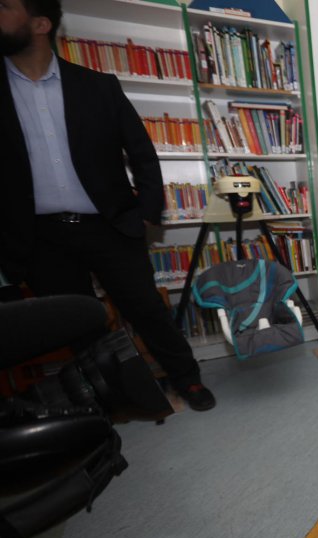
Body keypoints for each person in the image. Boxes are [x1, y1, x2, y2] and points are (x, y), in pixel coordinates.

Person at [0, 0, 215, 411]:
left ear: (40, 23)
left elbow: (142, 153)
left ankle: (186, 379)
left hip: (110, 225)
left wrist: (146, 212)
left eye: (5, 6)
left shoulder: (97, 86)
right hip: (39, 238)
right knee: (77, 324)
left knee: (147, 309)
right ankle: (115, 397)